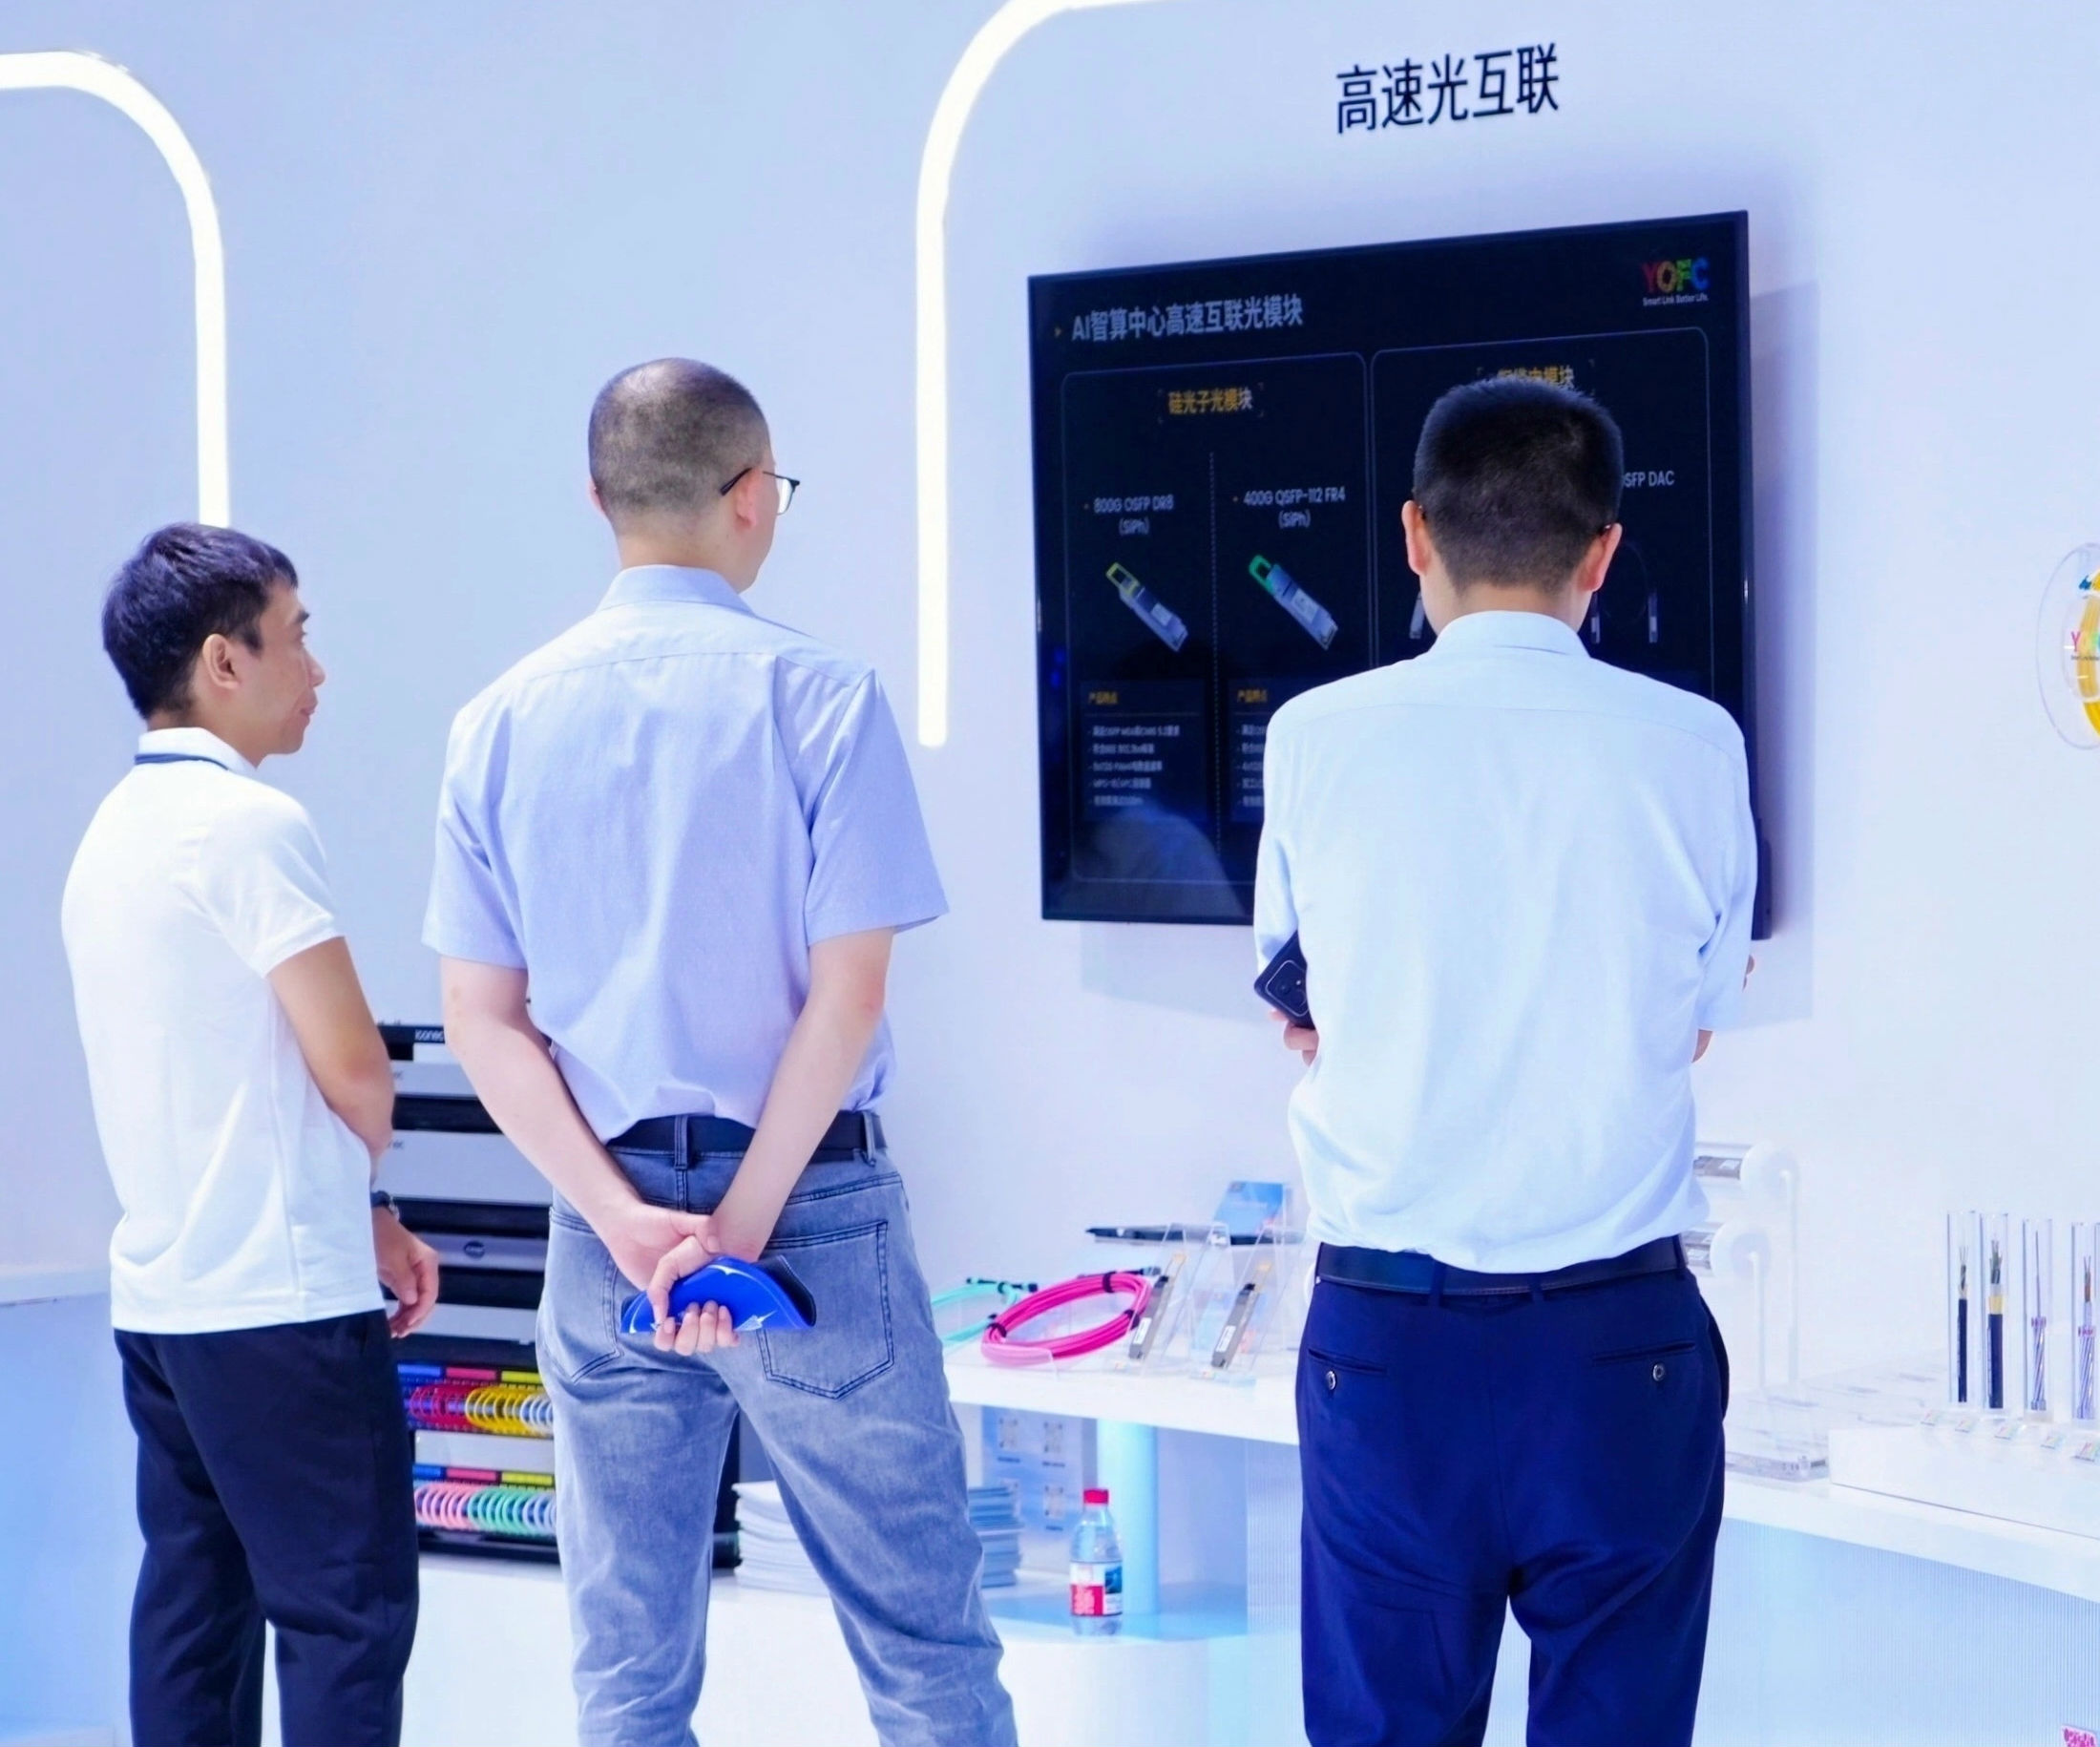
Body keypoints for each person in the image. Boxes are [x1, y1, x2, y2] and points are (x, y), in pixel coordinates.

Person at [426, 359, 1017, 1747]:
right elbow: (847, 998)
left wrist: (627, 1221)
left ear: (598, 500)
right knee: (923, 1646)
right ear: (754, 497)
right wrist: (734, 1230)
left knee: (627, 1675)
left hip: (606, 1236)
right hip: (812, 1216)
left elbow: (482, 1020)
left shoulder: (497, 719)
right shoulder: (821, 693)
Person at [1254, 378, 1757, 1747]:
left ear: (1414, 534)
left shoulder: (1314, 737)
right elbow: (1697, 1014)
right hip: (1618, 1347)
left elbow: (1302, 1003)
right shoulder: (1695, 745)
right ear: (1603, 553)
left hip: (1386, 1345)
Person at [61, 524, 438, 1747]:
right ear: (225, 661)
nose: (317, 669)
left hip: (168, 1299)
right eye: (298, 635)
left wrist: (363, 1209)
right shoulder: (249, 824)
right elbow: (352, 1067)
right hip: (282, 1305)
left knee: (194, 1608)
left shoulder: (111, 832)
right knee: (346, 1619)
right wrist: (359, 1178)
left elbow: (232, 1071)